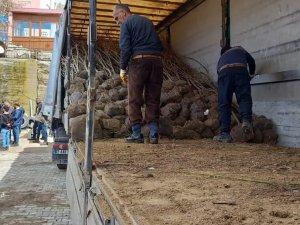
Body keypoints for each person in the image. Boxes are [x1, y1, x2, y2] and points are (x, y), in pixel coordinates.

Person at [112, 4, 163, 144]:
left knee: (134, 97)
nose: (117, 22)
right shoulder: (147, 21)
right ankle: (153, 133)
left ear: (123, 13)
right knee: (153, 97)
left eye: (116, 18)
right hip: (156, 61)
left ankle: (136, 133)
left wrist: (122, 68)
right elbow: (160, 45)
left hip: (139, 62)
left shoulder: (126, 24)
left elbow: (125, 48)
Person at [213, 45, 256, 143]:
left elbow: (219, 75)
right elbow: (252, 61)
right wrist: (250, 75)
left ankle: (225, 134)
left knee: (224, 103)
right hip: (240, 70)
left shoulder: (221, 59)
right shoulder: (239, 49)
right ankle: (246, 121)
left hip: (224, 72)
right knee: (244, 98)